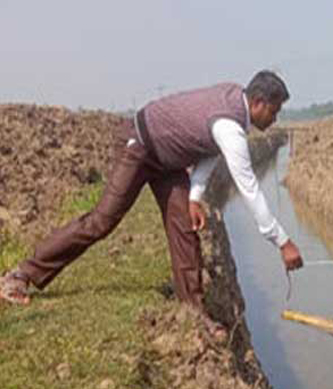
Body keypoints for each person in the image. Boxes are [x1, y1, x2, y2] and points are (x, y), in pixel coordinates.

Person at [0, 70, 304, 307]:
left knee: (184, 228)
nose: (275, 118)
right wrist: (282, 242)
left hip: (169, 160)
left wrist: (195, 197)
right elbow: (248, 187)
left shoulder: (233, 104)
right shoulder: (230, 123)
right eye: (274, 111)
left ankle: (193, 312)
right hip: (141, 147)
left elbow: (212, 152)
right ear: (258, 103)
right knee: (101, 221)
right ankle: (20, 275)